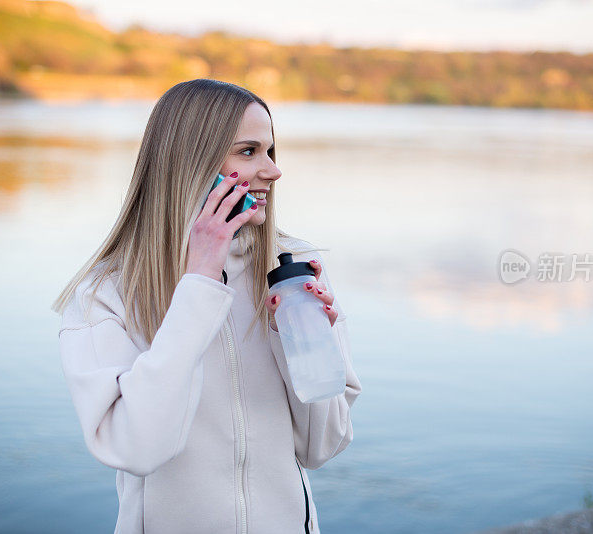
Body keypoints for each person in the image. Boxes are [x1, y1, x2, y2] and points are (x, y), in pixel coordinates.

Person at [51, 79, 362, 534]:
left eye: (271, 151)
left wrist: (301, 341)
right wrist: (197, 287)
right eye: (249, 152)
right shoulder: (106, 293)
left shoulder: (293, 272)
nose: (273, 172)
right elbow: (135, 449)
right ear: (191, 162)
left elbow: (322, 447)